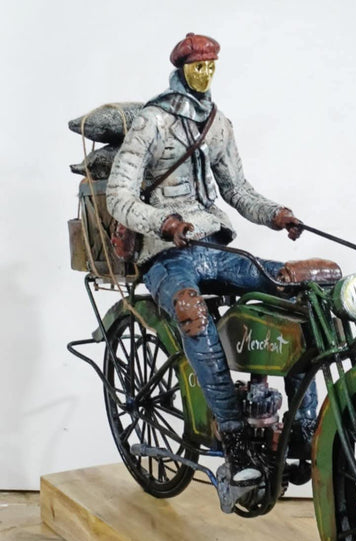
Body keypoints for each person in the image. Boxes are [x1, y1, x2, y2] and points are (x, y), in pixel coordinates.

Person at [107, 32, 317, 485]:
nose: (204, 74)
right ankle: (234, 437)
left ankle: (303, 428)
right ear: (181, 69)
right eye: (197, 67)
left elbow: (237, 190)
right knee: (191, 311)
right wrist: (163, 221)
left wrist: (276, 214)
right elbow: (118, 197)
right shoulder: (152, 122)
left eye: (210, 67)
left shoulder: (218, 124)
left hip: (215, 247)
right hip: (166, 255)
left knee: (294, 287)